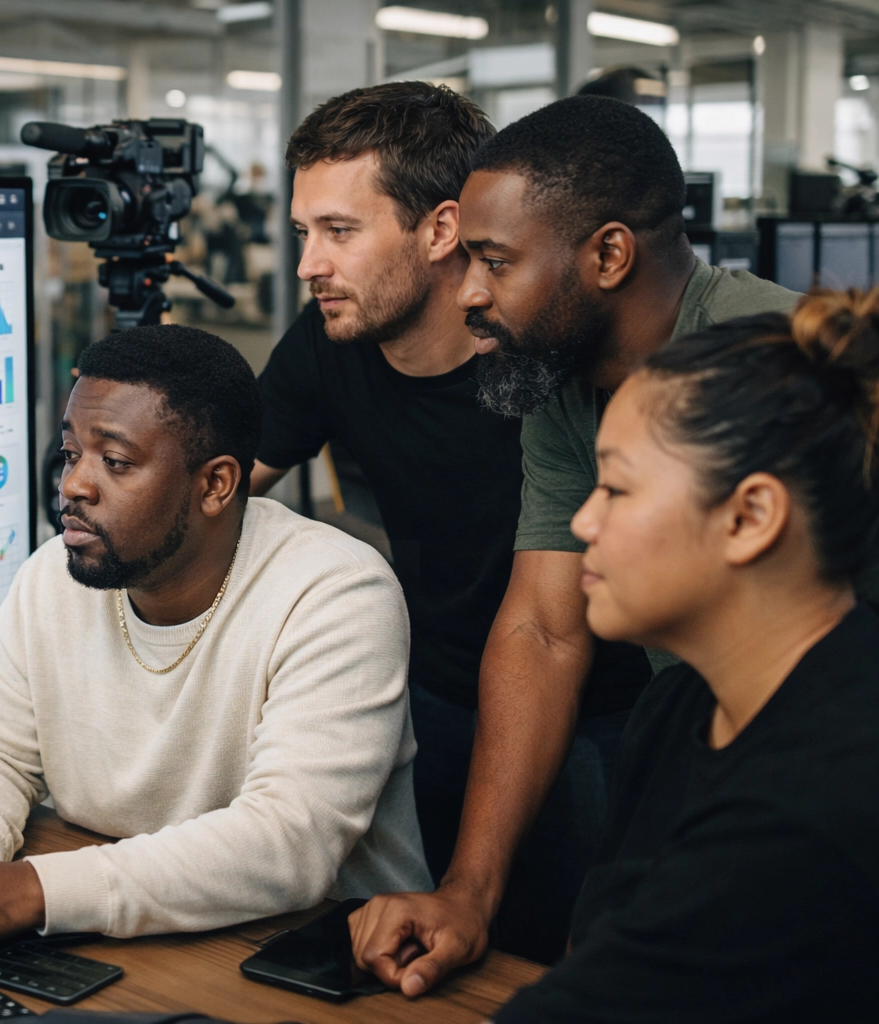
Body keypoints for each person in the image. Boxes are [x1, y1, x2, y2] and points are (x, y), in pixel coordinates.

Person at [350, 95, 802, 989]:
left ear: (607, 254)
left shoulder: (778, 367)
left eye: (494, 260)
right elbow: (545, 628)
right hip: (702, 756)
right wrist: (468, 892)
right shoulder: (563, 377)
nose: (467, 291)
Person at [0, 324, 430, 965]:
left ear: (216, 485)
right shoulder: (51, 576)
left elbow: (289, 844)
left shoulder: (337, 593)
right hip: (135, 939)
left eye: (115, 462)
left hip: (316, 963)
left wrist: (23, 892)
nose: (73, 487)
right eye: (71, 454)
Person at [490, 291, 879, 1021]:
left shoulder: (824, 798)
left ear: (749, 516)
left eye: (617, 487)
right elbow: (602, 960)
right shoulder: (680, 706)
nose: (582, 519)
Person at [252, 82, 539, 901]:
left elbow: (551, 626)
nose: (309, 264)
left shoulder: (538, 355)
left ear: (441, 227)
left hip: (589, 698)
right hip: (430, 683)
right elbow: (224, 486)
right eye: (305, 231)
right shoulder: (330, 335)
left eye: (340, 231)